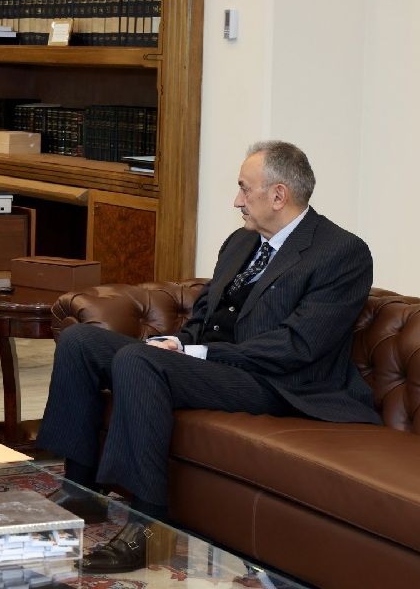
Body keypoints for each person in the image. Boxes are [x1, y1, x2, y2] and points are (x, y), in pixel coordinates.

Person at [36, 140, 381, 573]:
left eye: (244, 189)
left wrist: (195, 352)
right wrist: (179, 343)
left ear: (278, 195)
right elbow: (205, 314)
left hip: (280, 383)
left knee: (138, 361)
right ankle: (80, 490)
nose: (237, 201)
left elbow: (298, 345)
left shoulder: (341, 253)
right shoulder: (241, 242)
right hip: (217, 367)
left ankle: (149, 526)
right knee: (81, 341)